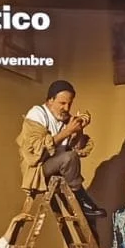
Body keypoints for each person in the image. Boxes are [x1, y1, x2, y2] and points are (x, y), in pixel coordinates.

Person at [17, 79, 103, 218]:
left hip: (59, 168)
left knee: (70, 156)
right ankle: (80, 200)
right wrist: (67, 132)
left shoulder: (65, 118)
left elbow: (78, 149)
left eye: (69, 103)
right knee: (69, 157)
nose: (67, 108)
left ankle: (80, 203)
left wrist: (79, 130)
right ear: (50, 100)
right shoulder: (37, 114)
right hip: (38, 169)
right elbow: (36, 153)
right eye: (62, 103)